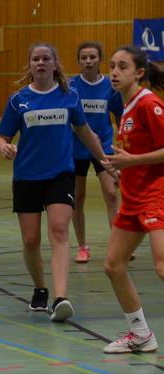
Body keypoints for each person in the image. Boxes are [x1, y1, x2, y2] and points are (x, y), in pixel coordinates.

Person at [0, 42, 108, 322]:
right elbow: (2, 136)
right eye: (36, 59)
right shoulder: (18, 100)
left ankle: (60, 299)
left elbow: (85, 132)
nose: (41, 63)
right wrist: (4, 147)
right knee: (31, 239)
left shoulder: (69, 96)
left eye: (46, 58)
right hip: (27, 176)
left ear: (55, 64)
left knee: (59, 231)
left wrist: (105, 161)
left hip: (60, 174)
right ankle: (40, 288)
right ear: (30, 65)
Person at [99, 45, 161, 353]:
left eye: (122, 67)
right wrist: (122, 169)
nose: (114, 72)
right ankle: (141, 334)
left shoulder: (149, 104)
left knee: (162, 266)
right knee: (113, 265)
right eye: (112, 66)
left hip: (156, 195)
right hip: (133, 199)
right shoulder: (125, 108)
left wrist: (132, 161)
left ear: (139, 73)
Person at [68, 41, 121, 264]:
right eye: (84, 58)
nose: (88, 61)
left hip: (104, 149)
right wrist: (83, 132)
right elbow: (66, 116)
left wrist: (123, 147)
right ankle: (82, 247)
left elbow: (120, 116)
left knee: (111, 194)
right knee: (77, 198)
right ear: (78, 61)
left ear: (100, 60)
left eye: (92, 57)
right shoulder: (70, 87)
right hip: (77, 150)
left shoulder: (110, 87)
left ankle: (119, 246)